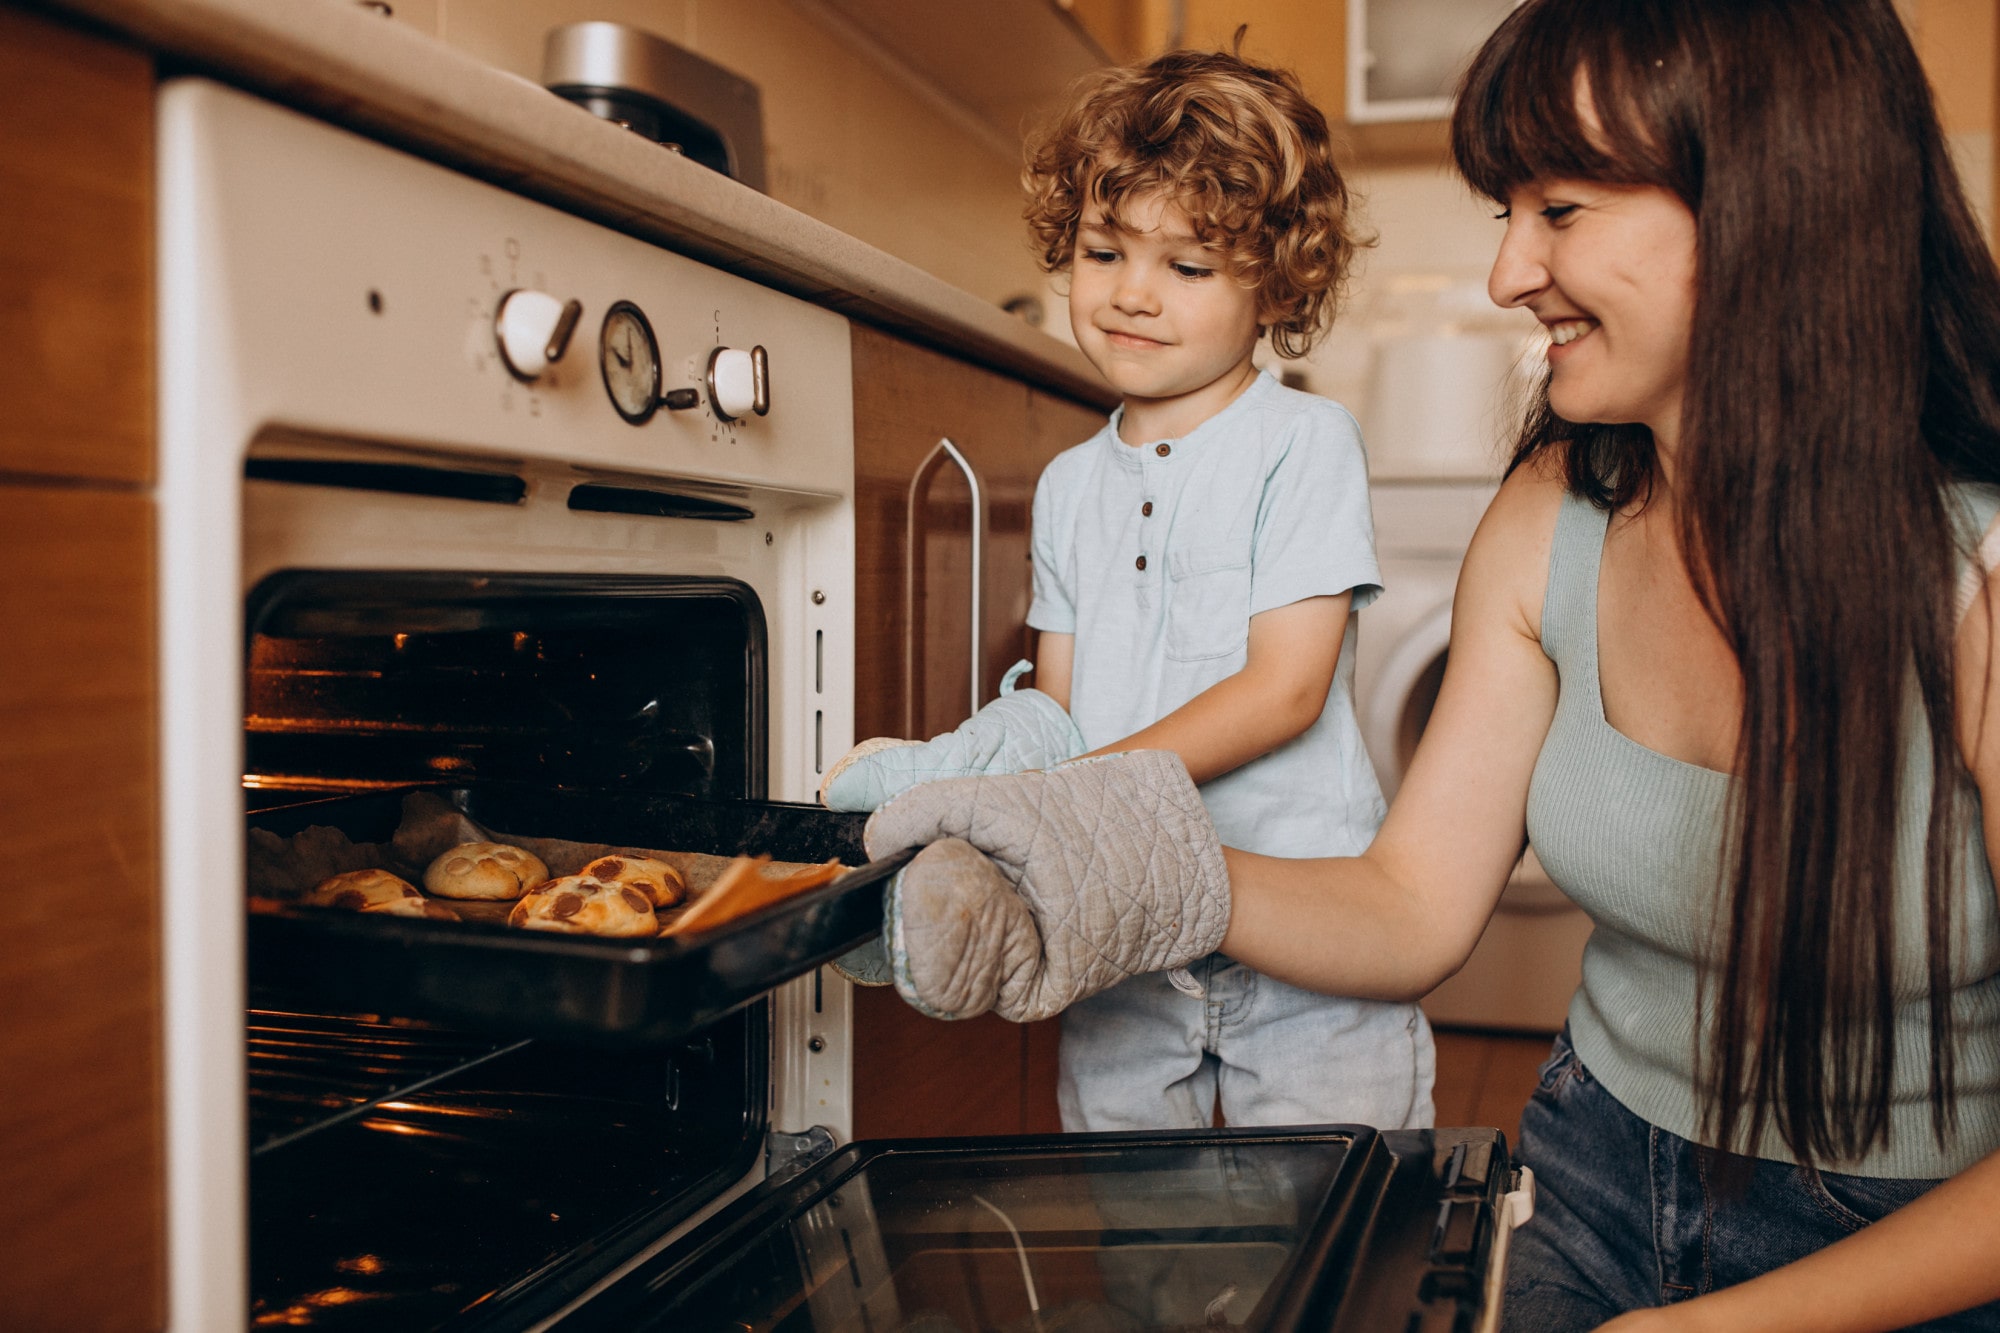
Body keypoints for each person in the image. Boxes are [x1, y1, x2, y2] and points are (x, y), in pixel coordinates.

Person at [860, 0, 2000, 1328]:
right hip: (1590, 1166)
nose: (1508, 273)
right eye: (1508, 212)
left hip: (1917, 1236)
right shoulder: (1548, 517)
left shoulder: (1977, 583)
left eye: (1560, 211)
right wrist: (1133, 867)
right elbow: (1412, 906)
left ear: (1778, 204)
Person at [823, 48, 1435, 1135]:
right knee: (1146, 1249)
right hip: (1118, 944)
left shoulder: (1300, 443)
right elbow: (1056, 711)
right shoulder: (1066, 484)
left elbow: (1284, 690)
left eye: (1187, 267)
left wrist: (1071, 806)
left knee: (1338, 1230)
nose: (1132, 293)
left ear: (1274, 286)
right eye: (1103, 252)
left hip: (1300, 940)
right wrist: (957, 779)